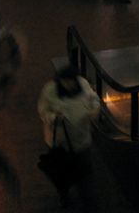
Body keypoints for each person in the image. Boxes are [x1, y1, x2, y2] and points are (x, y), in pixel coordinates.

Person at [37, 65, 100, 207]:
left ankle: (87, 199)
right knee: (61, 173)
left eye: (71, 81)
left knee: (84, 172)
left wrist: (95, 109)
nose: (69, 85)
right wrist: (54, 117)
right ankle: (64, 194)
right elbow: (43, 111)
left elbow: (94, 98)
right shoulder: (49, 91)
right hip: (60, 144)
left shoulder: (83, 84)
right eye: (65, 82)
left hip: (81, 141)